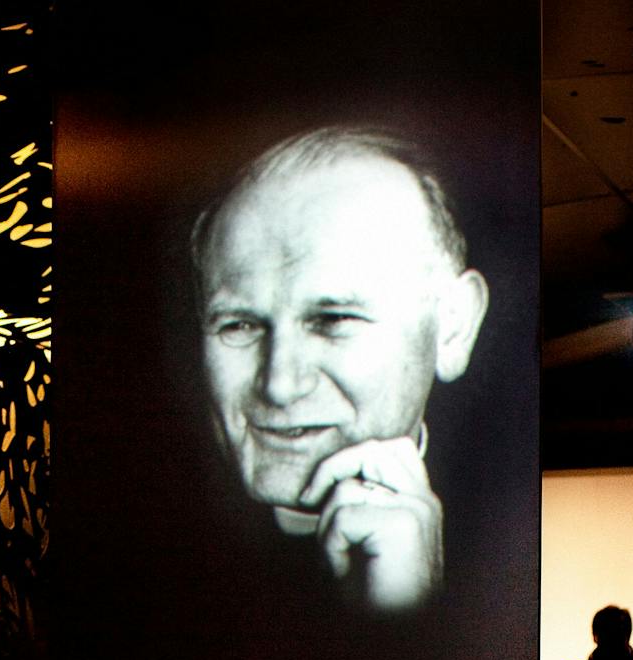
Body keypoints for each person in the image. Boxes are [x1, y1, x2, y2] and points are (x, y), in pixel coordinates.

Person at [192, 126, 490, 612]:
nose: (280, 385)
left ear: (452, 327)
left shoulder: (509, 554)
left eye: (333, 321)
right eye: (240, 325)